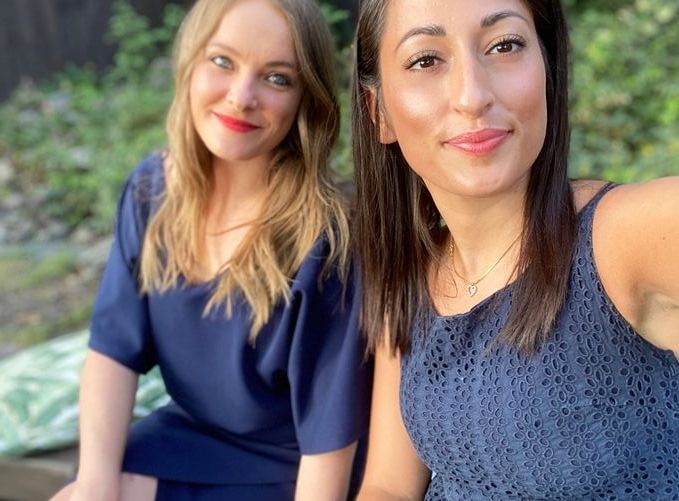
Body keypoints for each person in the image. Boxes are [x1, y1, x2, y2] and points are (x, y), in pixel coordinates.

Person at [351, 0, 679, 499]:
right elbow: (389, 485)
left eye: (504, 46)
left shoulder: (621, 237)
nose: (472, 96)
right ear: (379, 112)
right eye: (426, 60)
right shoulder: (413, 275)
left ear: (547, 68)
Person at [51, 0, 371, 499]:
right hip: (190, 438)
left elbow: (328, 439)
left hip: (295, 466)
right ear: (190, 62)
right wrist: (95, 483)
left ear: (305, 98)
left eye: (277, 78)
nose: (241, 97)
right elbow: (112, 351)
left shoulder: (327, 242)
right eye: (223, 61)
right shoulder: (152, 192)